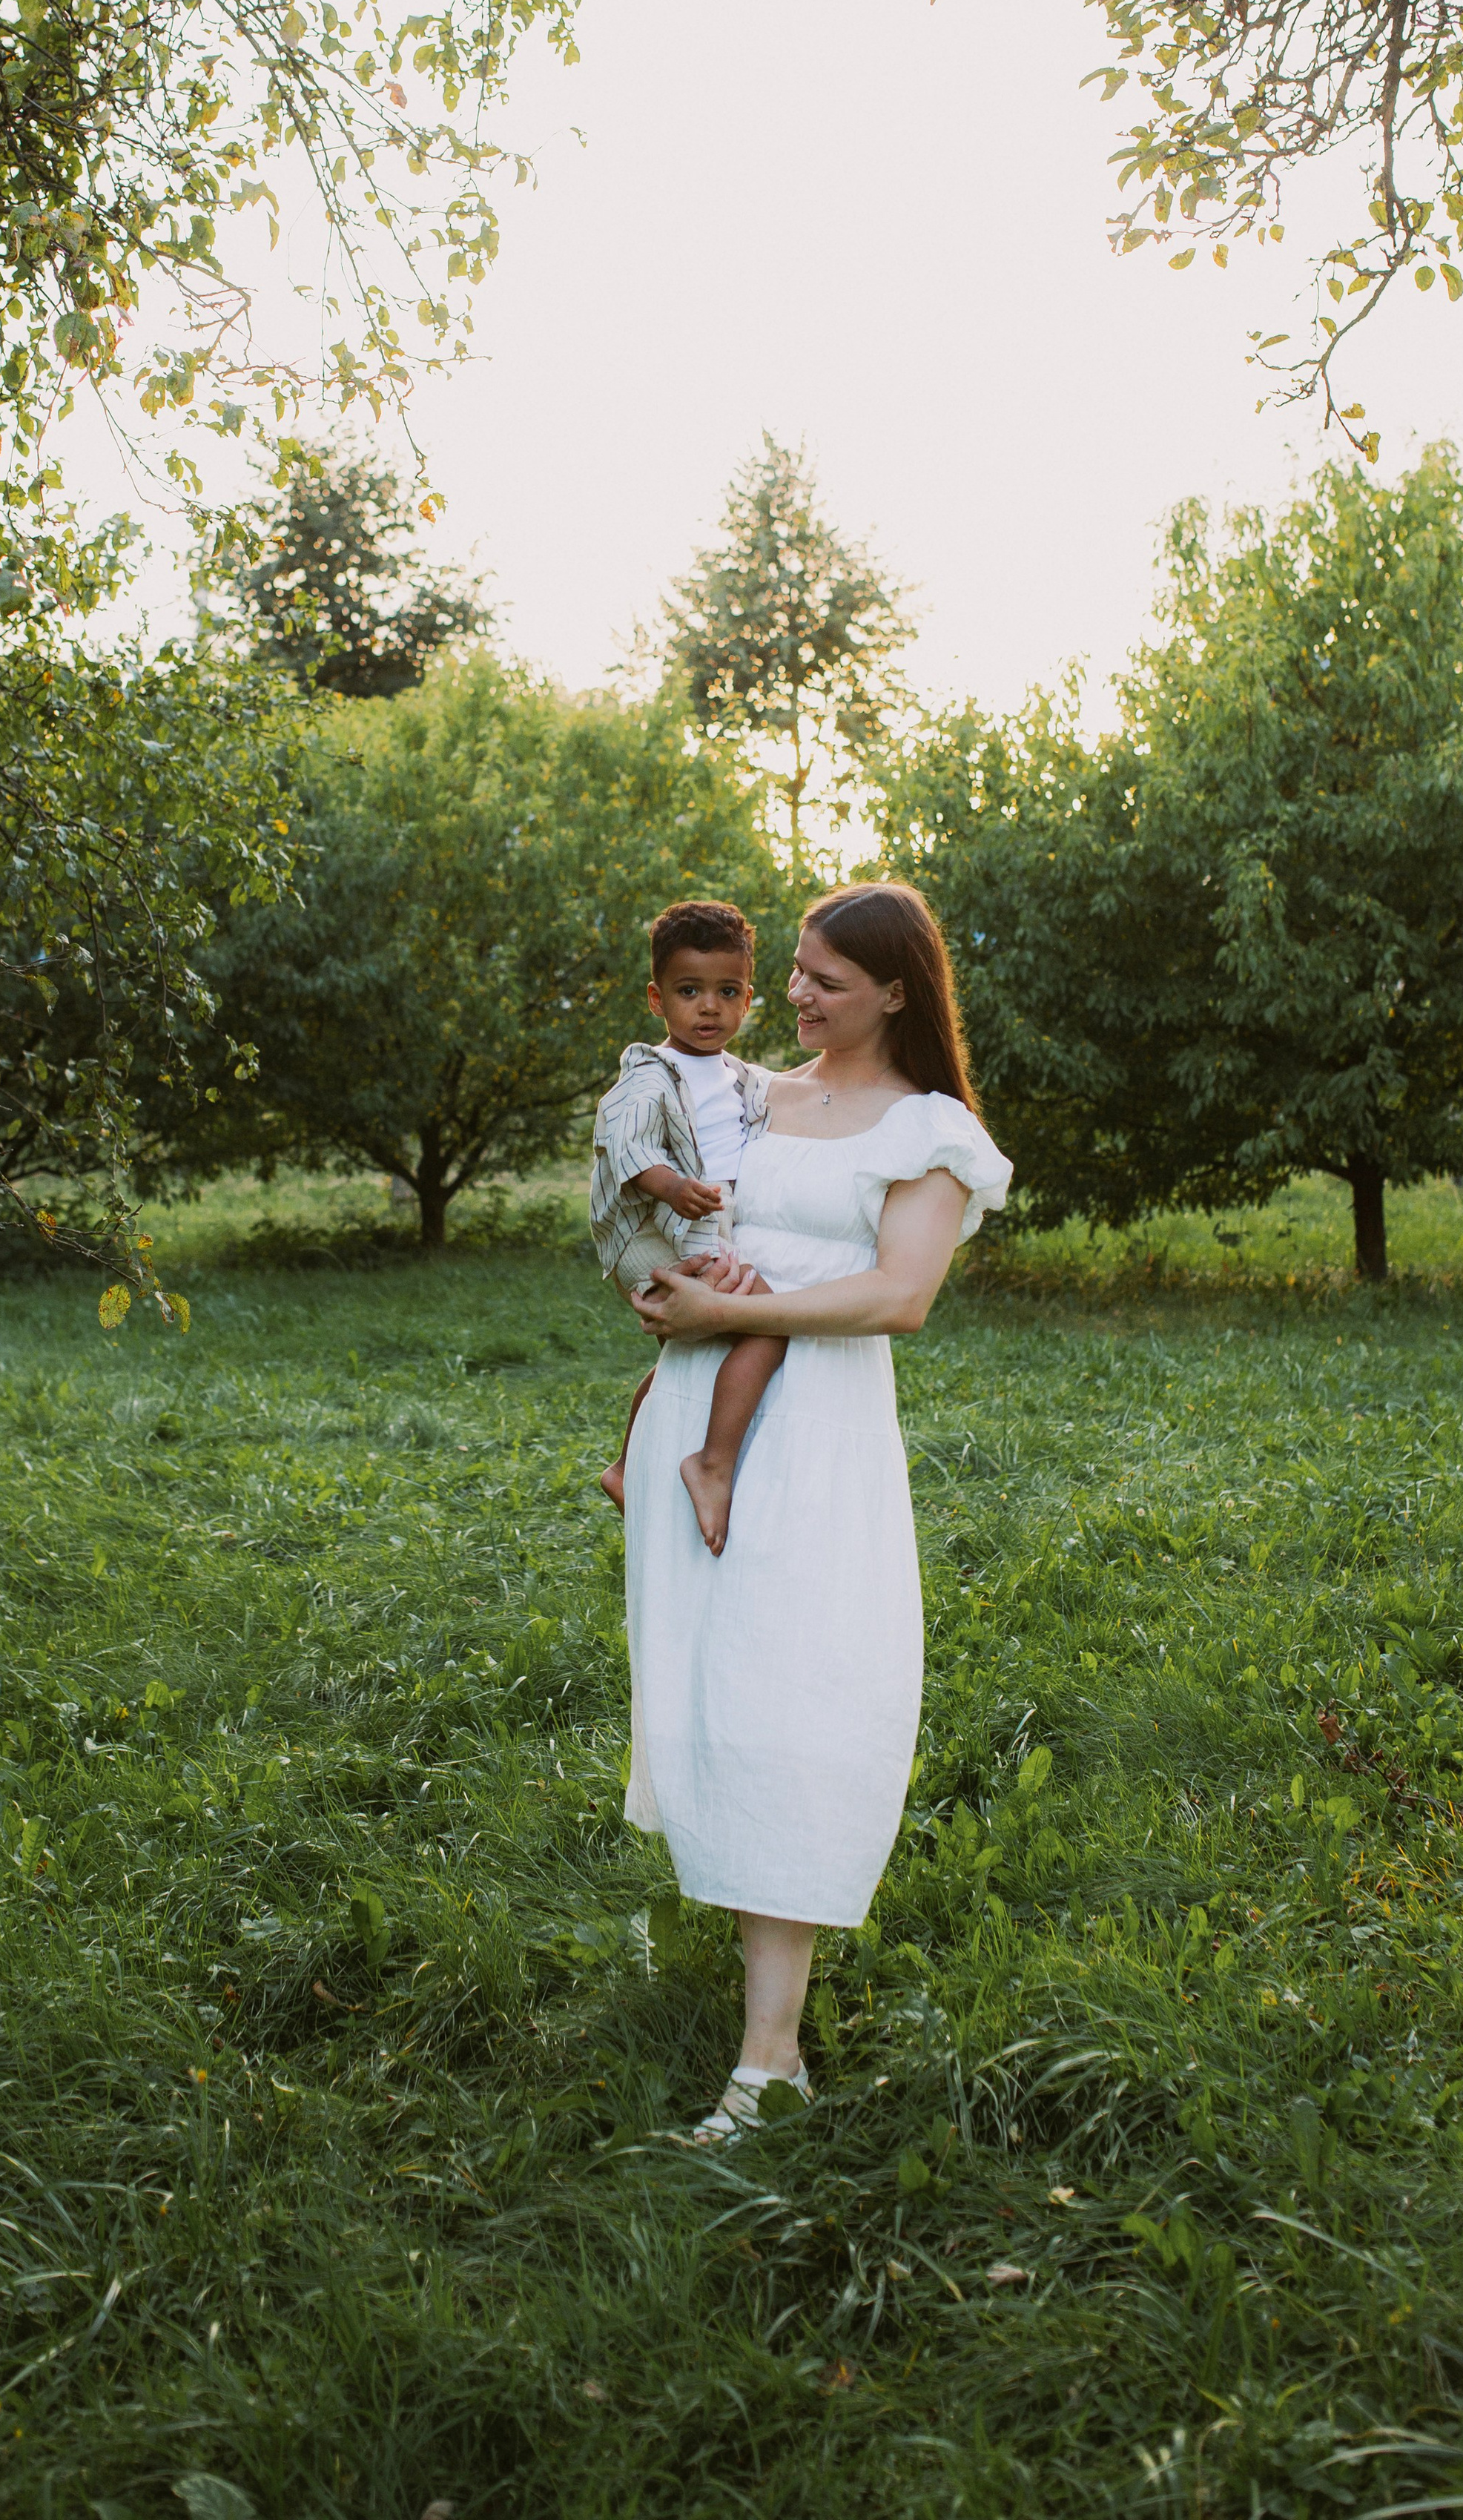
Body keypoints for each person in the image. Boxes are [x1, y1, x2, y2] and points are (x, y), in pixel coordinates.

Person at [623, 881, 1012, 2143]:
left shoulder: (930, 1129)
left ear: (896, 992)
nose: (792, 994)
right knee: (709, 1689)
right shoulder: (751, 1095)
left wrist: (735, 1314)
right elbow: (673, 1211)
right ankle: (749, 1969)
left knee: (786, 1699)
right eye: (792, 970)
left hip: (816, 1443)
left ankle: (769, 2060)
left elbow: (900, 1298)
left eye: (825, 980)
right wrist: (669, 1288)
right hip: (700, 1410)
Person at [590, 901, 787, 1553]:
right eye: (689, 991)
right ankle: (712, 1462)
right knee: (769, 1325)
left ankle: (624, 1468)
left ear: (749, 998)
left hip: (705, 1223)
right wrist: (674, 1187)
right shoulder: (647, 1076)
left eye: (727, 992)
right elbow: (629, 1148)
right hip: (662, 1230)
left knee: (688, 1353)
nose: (709, 1008)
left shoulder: (739, 1076)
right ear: (657, 999)